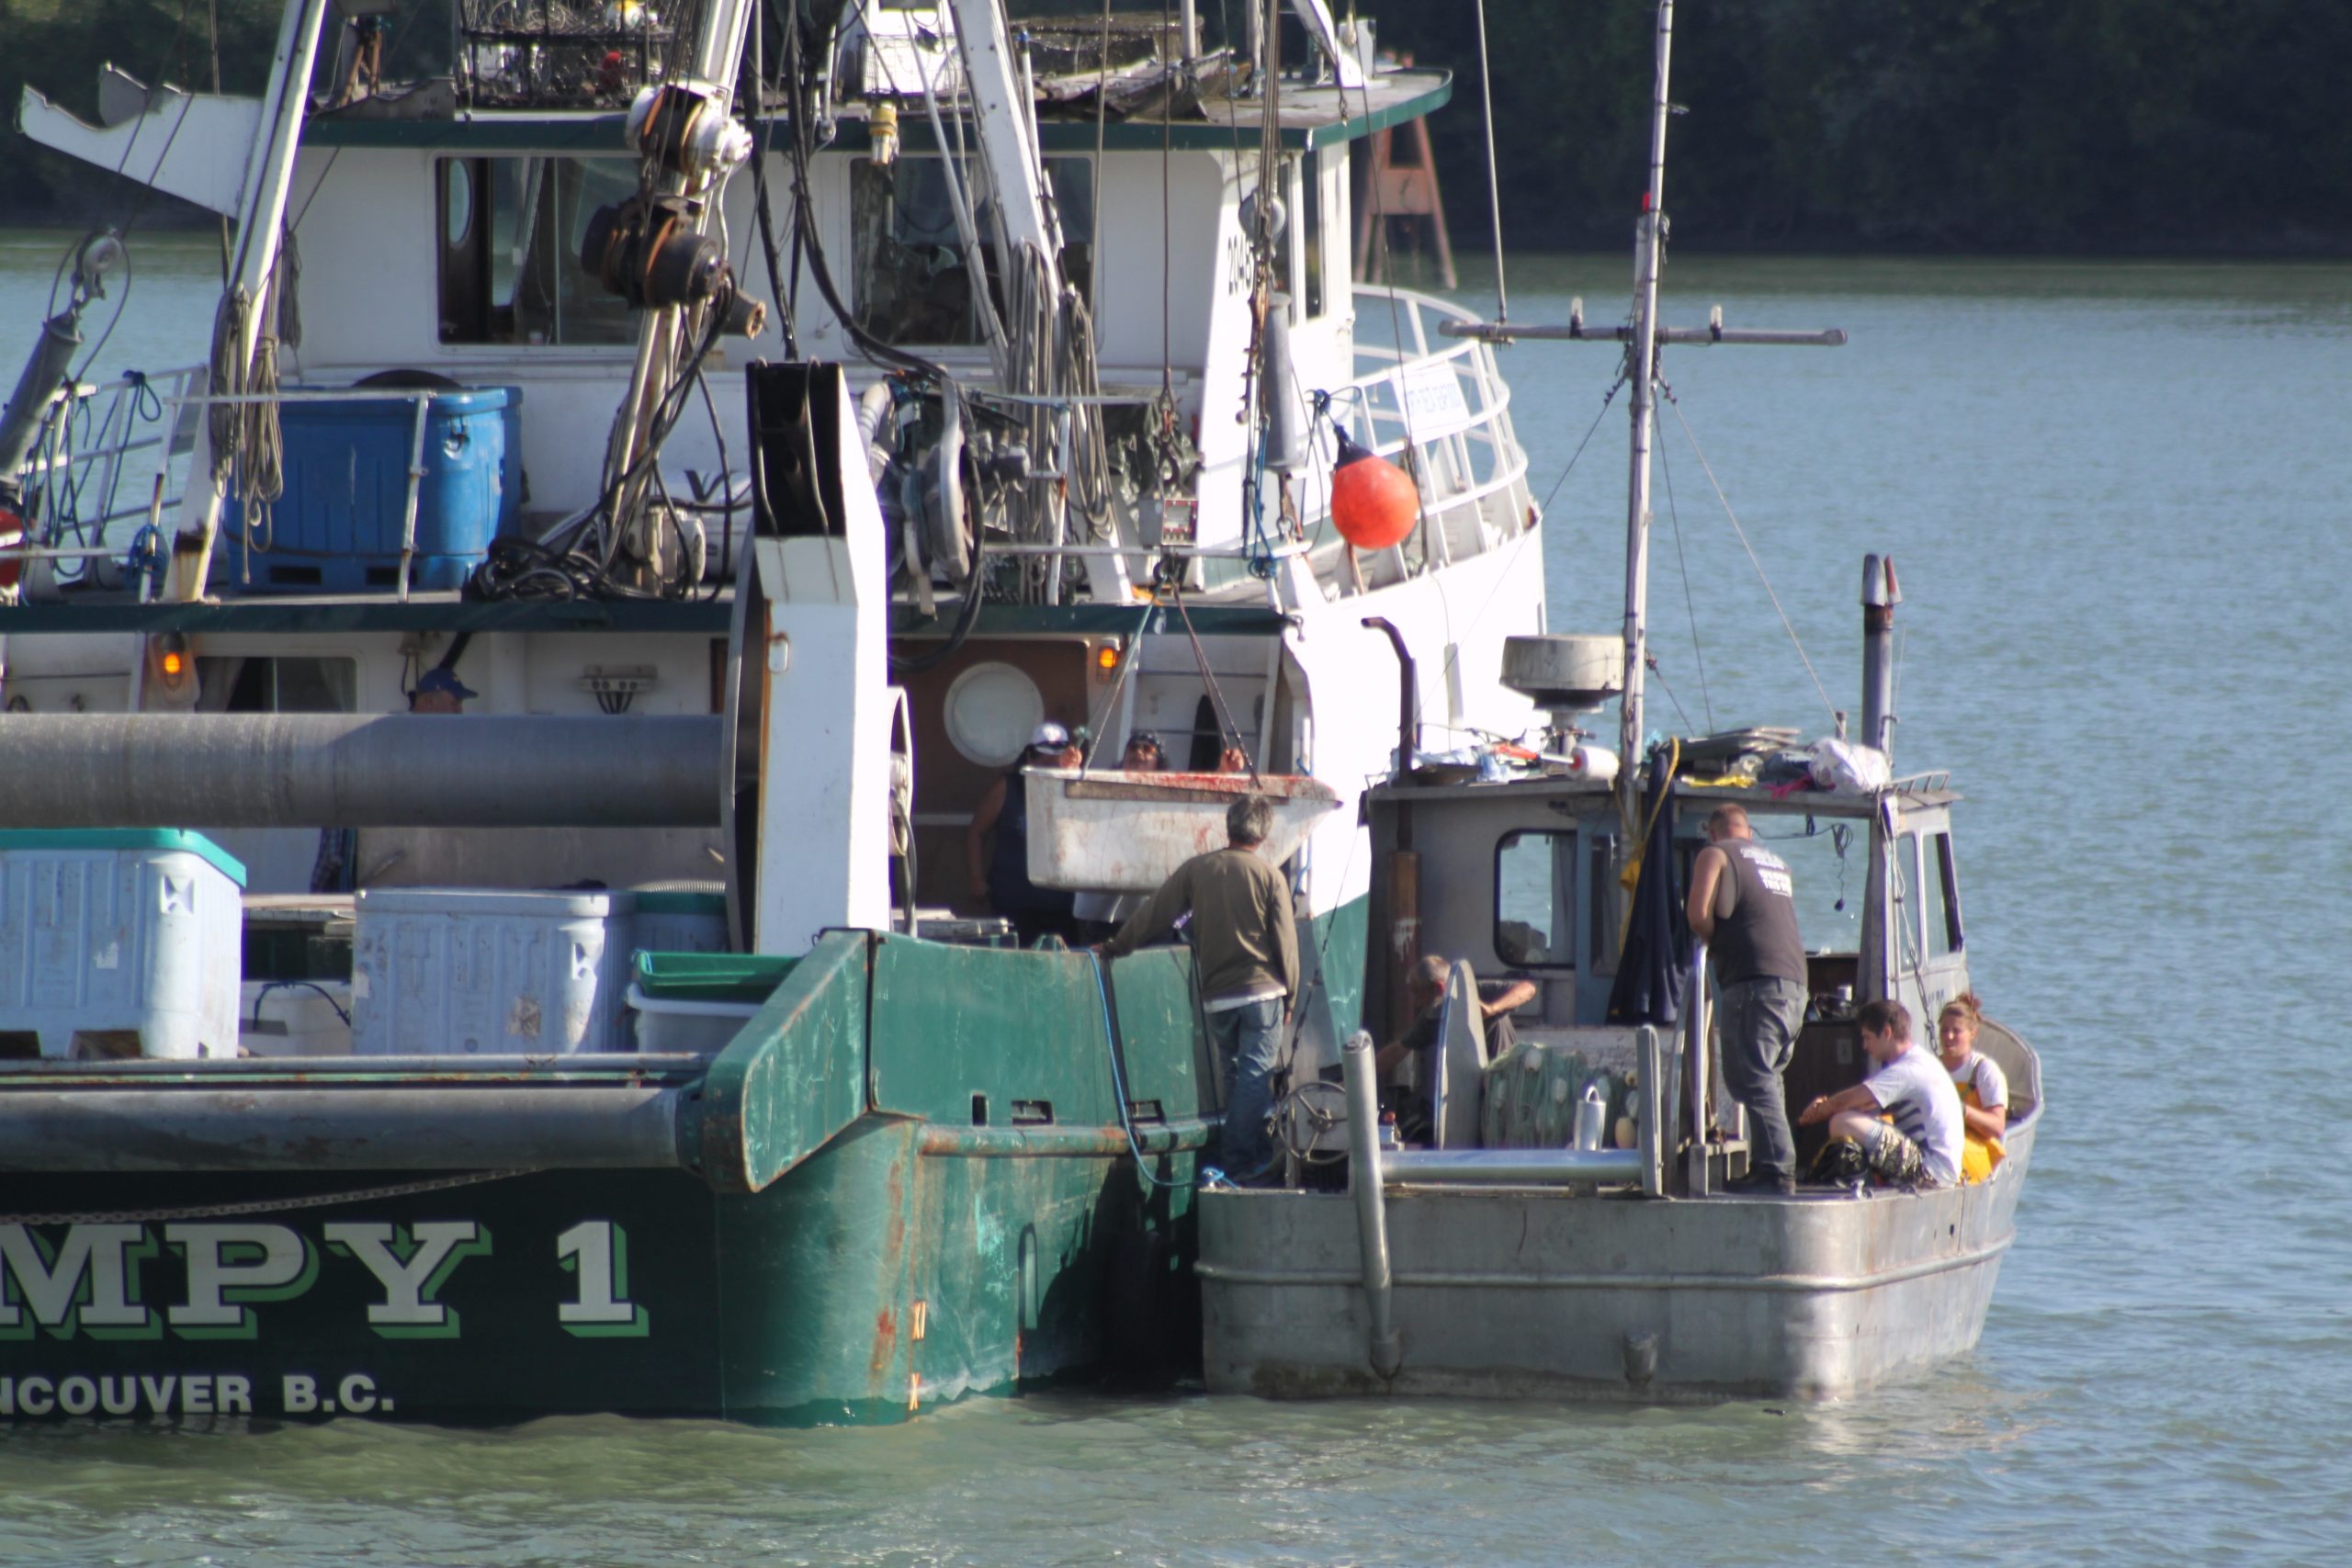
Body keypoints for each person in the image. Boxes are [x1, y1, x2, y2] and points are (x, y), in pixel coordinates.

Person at [1099, 795, 1297, 1183]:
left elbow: (1155, 914)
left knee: (1235, 1077)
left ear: (1229, 826)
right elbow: (1286, 943)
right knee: (1256, 1078)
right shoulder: (1270, 876)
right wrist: (1290, 993)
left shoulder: (1197, 870)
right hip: (1262, 993)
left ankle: (1250, 1155)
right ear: (1264, 833)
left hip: (1216, 998)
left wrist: (1114, 946)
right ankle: (1242, 1164)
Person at [1686, 803, 1807, 1194]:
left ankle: (1776, 1172)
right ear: (1749, 832)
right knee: (1770, 1076)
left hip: (1754, 983)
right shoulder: (1776, 863)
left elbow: (1697, 912)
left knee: (1751, 1076)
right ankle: (1766, 1166)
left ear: (1713, 832)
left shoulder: (1715, 853)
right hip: (1795, 985)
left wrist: (1712, 941)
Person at [1797, 998, 1965, 1190]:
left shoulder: (1908, 1069)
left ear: (1886, 1032)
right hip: (1938, 1167)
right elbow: (1862, 1105)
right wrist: (1825, 1106)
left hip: (1931, 1170)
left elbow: (1849, 1100)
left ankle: (1859, 1186)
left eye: (1867, 1037)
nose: (1864, 1046)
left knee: (1842, 1122)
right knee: (1853, 1118)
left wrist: (1812, 1116)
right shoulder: (1920, 1061)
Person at [1374, 953, 1538, 1143]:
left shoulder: (1480, 992)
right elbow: (1399, 1049)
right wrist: (1358, 1075)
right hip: (1479, 1102)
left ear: (1440, 988)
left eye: (1419, 995)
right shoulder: (1432, 1017)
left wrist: (1492, 1009)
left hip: (1512, 1091)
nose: (1417, 1004)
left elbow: (1528, 988)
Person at [966, 722, 1082, 945]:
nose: (1049, 764)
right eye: (1043, 757)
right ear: (1029, 756)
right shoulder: (1007, 787)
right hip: (1014, 900)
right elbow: (976, 832)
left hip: (1063, 904)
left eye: (1056, 758)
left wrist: (1074, 774)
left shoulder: (1075, 787)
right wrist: (976, 878)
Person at [1071, 732, 1164, 942]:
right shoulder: (1100, 790)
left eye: (1147, 749)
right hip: (1096, 913)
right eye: (1132, 748)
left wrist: (1225, 770)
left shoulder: (1169, 799)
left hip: (1144, 914)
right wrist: (1070, 768)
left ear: (1158, 763)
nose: (1138, 752)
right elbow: (1069, 793)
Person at [1936, 991, 2009, 1184]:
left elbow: (1997, 1127)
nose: (1948, 1036)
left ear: (1972, 1033)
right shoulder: (1931, 1067)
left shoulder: (1984, 1070)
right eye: (1944, 1030)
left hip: (1975, 1148)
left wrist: (1961, 1110)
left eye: (1956, 1031)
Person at [408, 667, 475, 714]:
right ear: (430, 702)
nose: (460, 710)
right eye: (454, 703)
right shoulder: (401, 731)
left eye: (460, 704)